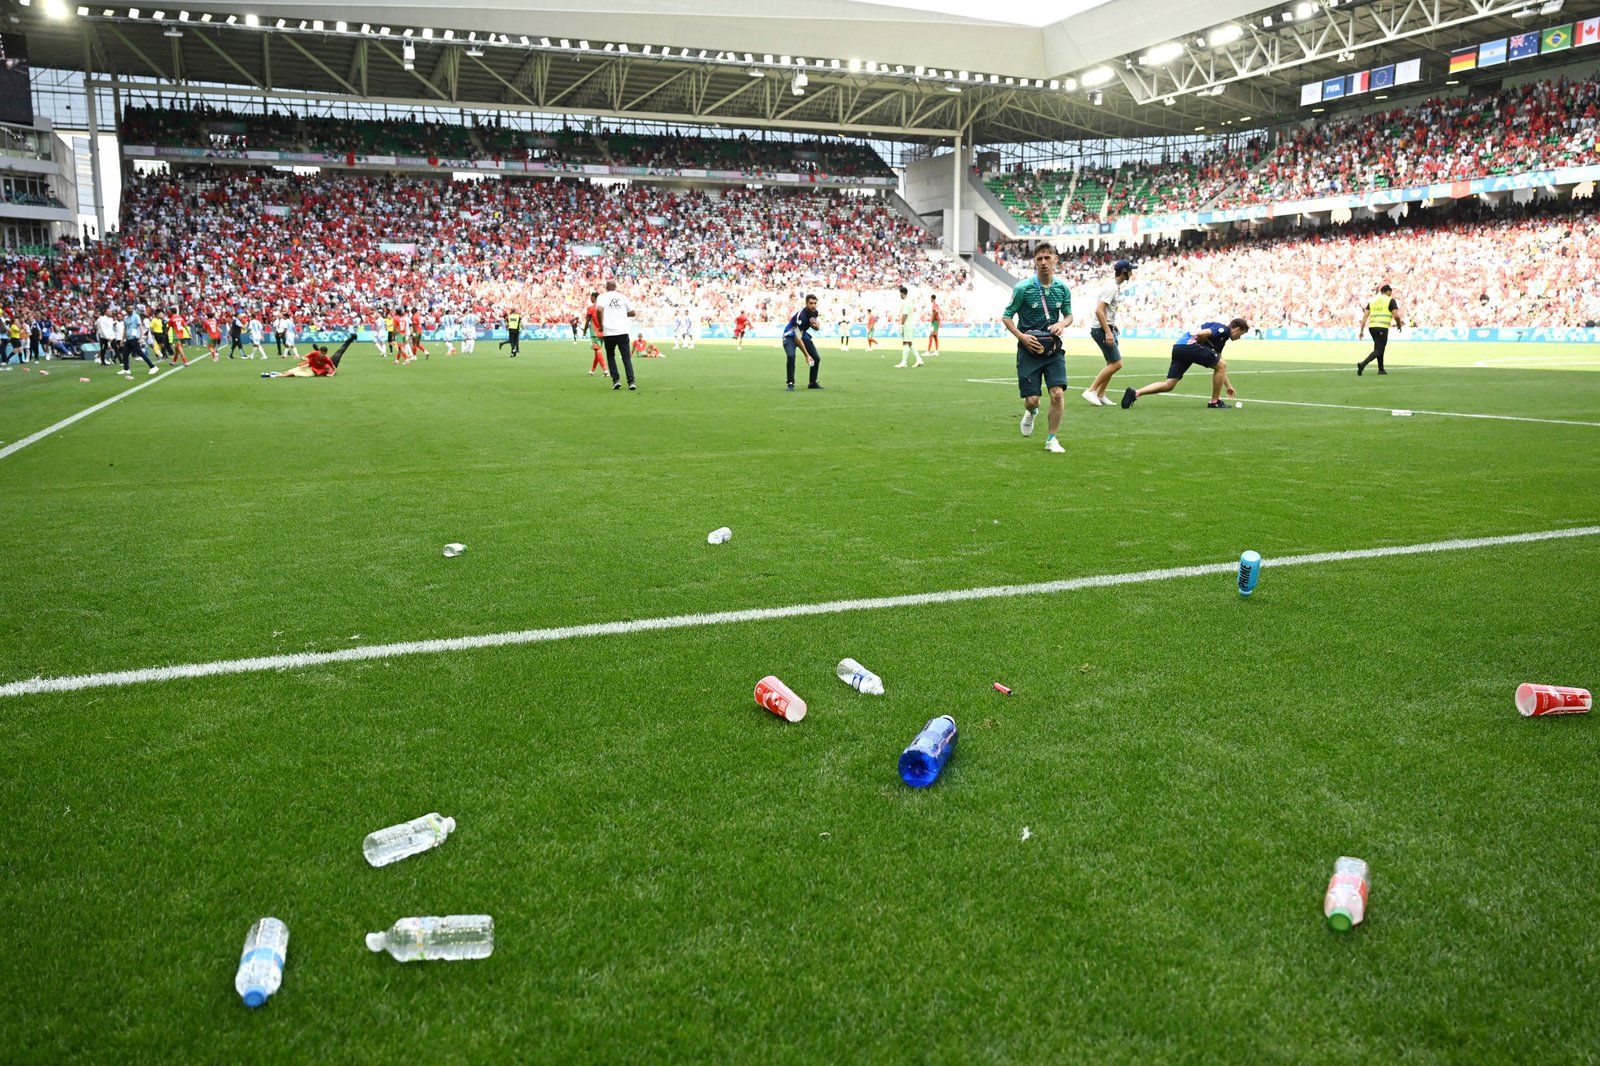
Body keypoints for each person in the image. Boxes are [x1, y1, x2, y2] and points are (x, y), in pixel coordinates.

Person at [1002, 242, 1074, 453]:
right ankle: (1031, 412)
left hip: (1053, 350)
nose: (1043, 262)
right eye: (1039, 259)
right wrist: (1021, 337)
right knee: (1032, 400)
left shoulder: (1062, 288)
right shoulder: (1023, 288)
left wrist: (1062, 323)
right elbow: (1007, 317)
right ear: (1034, 262)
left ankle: (1052, 439)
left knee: (1057, 394)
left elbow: (1069, 315)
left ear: (1055, 259)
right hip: (1029, 351)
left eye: (1047, 257)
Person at [1121, 317, 1248, 409]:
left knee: (1169, 384)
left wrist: (1228, 386)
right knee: (1221, 365)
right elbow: (1201, 334)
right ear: (1236, 329)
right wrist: (1201, 345)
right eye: (1241, 334)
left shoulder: (1221, 340)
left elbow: (1220, 365)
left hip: (1179, 347)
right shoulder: (1224, 329)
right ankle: (1215, 402)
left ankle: (1136, 393)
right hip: (1190, 346)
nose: (1239, 338)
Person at [1083, 259, 1135, 406]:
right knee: (1117, 363)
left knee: (1110, 363)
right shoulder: (1112, 288)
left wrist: (1112, 326)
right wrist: (1107, 331)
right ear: (1124, 271)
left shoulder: (1114, 286)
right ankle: (1091, 390)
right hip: (1101, 330)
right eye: (1130, 270)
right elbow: (1099, 310)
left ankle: (1100, 394)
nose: (1132, 273)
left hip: (1106, 328)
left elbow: (1106, 311)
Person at [598, 280, 638, 391]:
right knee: (626, 357)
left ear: (606, 287)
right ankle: (631, 381)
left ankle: (616, 380)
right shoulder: (622, 297)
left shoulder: (602, 297)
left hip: (609, 332)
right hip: (622, 331)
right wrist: (621, 314)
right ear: (615, 287)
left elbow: (599, 309)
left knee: (611, 356)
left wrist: (601, 324)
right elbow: (633, 313)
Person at [261, 333, 356, 378]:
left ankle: (352, 338)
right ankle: (276, 373)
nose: (322, 354)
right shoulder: (315, 354)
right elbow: (306, 356)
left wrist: (331, 374)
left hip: (326, 367)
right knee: (294, 370)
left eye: (323, 353)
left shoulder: (327, 359)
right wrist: (301, 358)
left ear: (325, 354)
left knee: (340, 351)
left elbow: (334, 368)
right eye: (321, 353)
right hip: (317, 367)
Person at [1357, 283, 1403, 375]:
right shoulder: (1390, 300)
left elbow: (1365, 317)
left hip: (1372, 327)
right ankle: (1363, 364)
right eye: (1391, 292)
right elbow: (1396, 315)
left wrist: (1361, 330)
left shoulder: (1372, 301)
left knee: (1378, 347)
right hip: (1382, 327)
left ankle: (1381, 369)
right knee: (1379, 350)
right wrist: (1399, 325)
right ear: (1388, 291)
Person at [782, 293, 823, 391]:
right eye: (811, 303)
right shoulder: (801, 316)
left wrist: (814, 325)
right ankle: (790, 383)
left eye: (815, 303)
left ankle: (812, 383)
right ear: (806, 303)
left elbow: (817, 327)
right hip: (790, 336)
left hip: (802, 334)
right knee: (791, 356)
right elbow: (797, 338)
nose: (813, 305)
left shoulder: (814, 312)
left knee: (816, 358)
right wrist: (807, 355)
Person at [892, 286, 922, 368]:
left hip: (907, 326)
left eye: (900, 294)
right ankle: (919, 359)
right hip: (911, 325)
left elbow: (904, 315)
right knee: (910, 343)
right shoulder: (910, 302)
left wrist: (901, 325)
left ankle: (904, 362)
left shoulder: (905, 303)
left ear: (902, 293)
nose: (900, 295)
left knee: (905, 342)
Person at [584, 293, 606, 376]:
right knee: (597, 352)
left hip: (595, 332)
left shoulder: (591, 308)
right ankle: (592, 371)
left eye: (591, 297)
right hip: (604, 332)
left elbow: (587, 321)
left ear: (593, 297)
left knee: (598, 351)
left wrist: (585, 330)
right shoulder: (603, 307)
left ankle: (606, 370)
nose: (590, 298)